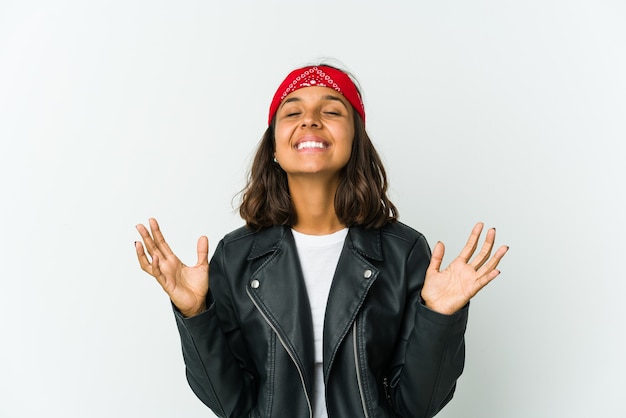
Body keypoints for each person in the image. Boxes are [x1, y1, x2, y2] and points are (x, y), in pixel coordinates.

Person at [134, 64, 509, 418]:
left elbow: (418, 405)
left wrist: (439, 319)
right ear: (275, 149)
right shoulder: (236, 257)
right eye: (292, 112)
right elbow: (228, 404)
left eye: (331, 112)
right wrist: (195, 314)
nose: (310, 120)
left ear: (355, 140)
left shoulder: (403, 251)